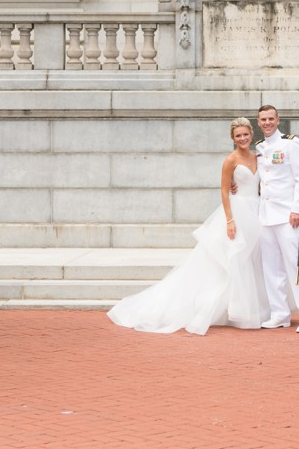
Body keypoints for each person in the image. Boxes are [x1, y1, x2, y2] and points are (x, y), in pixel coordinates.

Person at [107, 117, 269, 335]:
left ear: (251, 134)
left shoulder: (259, 156)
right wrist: (230, 221)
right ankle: (230, 310)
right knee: (231, 261)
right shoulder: (230, 160)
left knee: (251, 261)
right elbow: (223, 191)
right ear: (233, 138)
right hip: (237, 213)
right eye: (238, 135)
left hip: (257, 212)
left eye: (245, 134)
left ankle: (251, 308)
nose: (242, 138)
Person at [255, 105, 299, 333]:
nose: (267, 123)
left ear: (278, 119)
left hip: (287, 215)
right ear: (258, 122)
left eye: (271, 119)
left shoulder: (291, 143)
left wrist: (297, 210)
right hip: (265, 215)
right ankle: (279, 313)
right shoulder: (260, 147)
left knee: (296, 265)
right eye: (263, 119)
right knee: (271, 268)